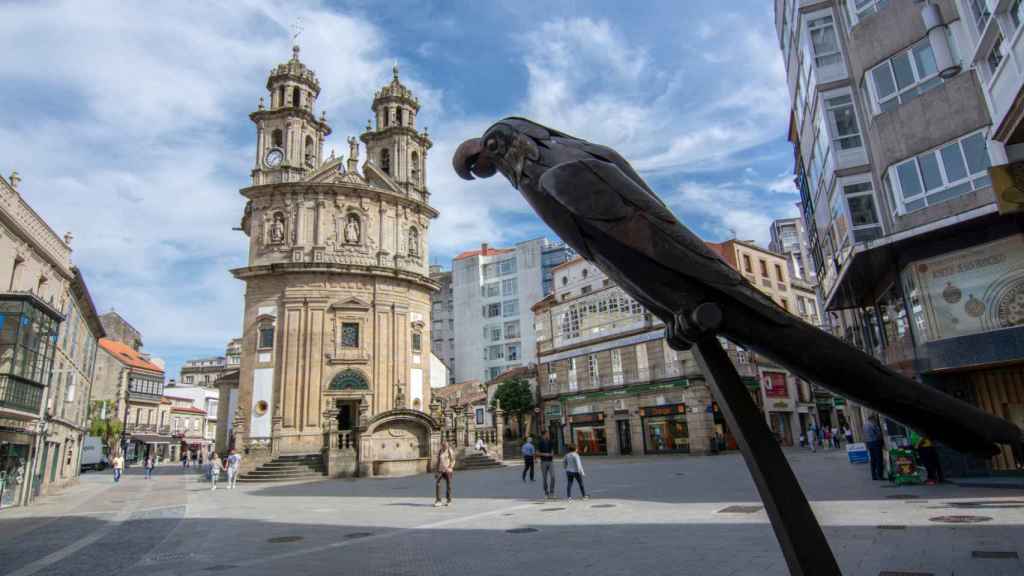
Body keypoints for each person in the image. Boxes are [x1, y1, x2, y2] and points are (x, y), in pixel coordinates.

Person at [434, 441, 454, 507]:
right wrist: (436, 471)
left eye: (446, 446)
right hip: (440, 470)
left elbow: (453, 460)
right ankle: (438, 501)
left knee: (449, 485)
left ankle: (449, 500)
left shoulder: (449, 451)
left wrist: (450, 467)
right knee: (438, 484)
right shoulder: (439, 451)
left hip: (448, 470)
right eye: (444, 446)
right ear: (442, 445)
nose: (445, 447)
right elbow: (437, 461)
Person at [864, 416, 884, 481]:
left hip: (869, 443)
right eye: (875, 419)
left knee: (873, 460)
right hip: (876, 443)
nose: (875, 420)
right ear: (873, 419)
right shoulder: (873, 424)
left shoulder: (865, 425)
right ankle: (880, 475)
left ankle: (874, 476)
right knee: (879, 459)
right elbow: (878, 433)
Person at [537, 431, 556, 499]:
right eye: (547, 434)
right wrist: (546, 454)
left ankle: (552, 492)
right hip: (543, 462)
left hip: (550, 461)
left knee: (553, 477)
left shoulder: (550, 441)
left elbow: (552, 449)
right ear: (544, 435)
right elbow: (537, 453)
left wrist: (552, 453)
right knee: (544, 478)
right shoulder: (540, 442)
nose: (548, 435)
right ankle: (546, 492)